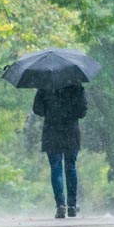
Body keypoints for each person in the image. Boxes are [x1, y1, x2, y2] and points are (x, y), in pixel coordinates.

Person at [32, 84, 87, 218]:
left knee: (56, 168)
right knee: (71, 167)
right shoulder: (77, 86)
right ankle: (72, 205)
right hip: (71, 132)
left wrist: (51, 108)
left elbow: (38, 110)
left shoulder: (44, 86)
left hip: (52, 132)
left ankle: (60, 205)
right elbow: (82, 112)